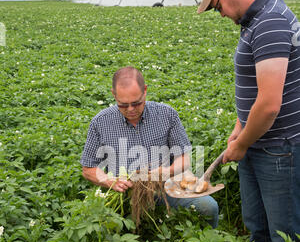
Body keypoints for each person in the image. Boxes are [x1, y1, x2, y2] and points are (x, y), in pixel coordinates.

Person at [197, 0, 300, 242]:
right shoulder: (255, 19)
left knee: (286, 239)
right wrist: (240, 127)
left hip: (277, 149)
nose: (219, 14)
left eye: (217, 6)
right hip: (258, 142)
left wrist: (241, 144)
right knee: (258, 228)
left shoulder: (269, 22)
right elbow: (257, 91)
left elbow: (268, 105)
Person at [80, 66, 219, 228]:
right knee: (107, 227)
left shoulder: (167, 115)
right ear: (113, 94)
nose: (131, 110)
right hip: (125, 193)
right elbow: (88, 168)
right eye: (123, 105)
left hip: (167, 187)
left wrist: (167, 172)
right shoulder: (100, 123)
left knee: (208, 207)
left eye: (136, 103)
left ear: (145, 90)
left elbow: (184, 159)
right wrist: (110, 181)